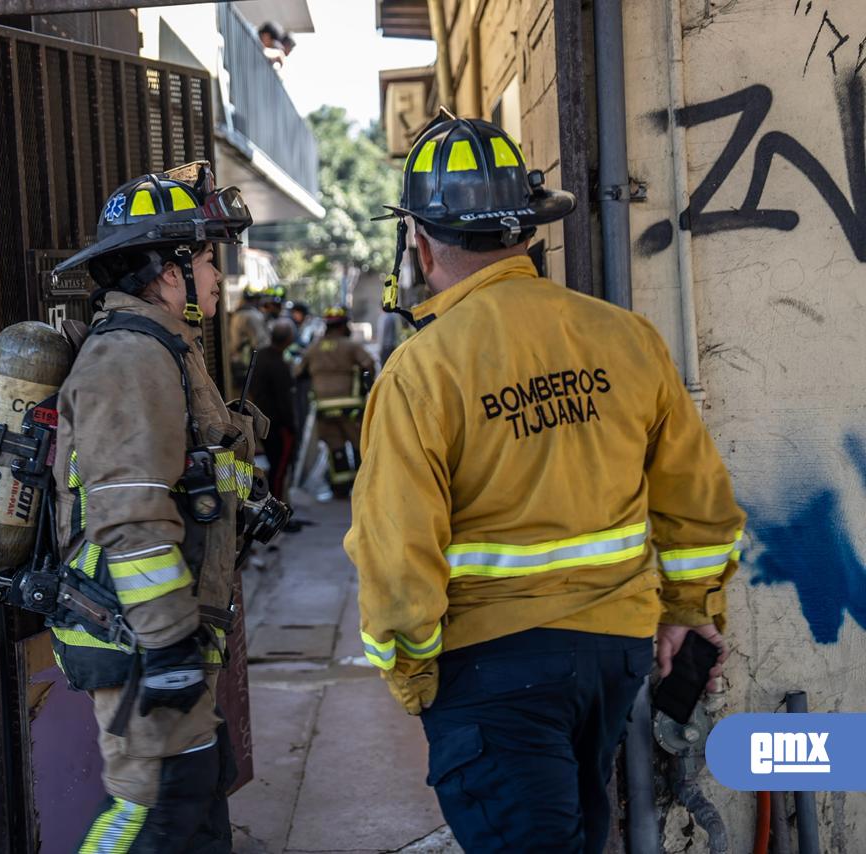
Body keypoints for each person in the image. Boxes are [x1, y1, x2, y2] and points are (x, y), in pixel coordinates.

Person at [344, 117, 746, 853]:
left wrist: (411, 675)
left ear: (420, 243)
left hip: (491, 673)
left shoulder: (421, 372)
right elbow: (700, 504)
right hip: (614, 654)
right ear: (527, 234)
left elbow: (397, 553)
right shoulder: (626, 337)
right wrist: (690, 610)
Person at [50, 163, 264, 853]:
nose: (214, 276)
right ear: (169, 273)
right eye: (205, 258)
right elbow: (130, 514)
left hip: (160, 639)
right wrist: (167, 644)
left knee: (197, 800)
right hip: (138, 643)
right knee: (153, 811)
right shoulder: (129, 358)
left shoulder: (165, 350)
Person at [299, 307, 375, 494]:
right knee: (359, 444)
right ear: (342, 326)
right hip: (351, 407)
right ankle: (363, 486)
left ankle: (340, 487)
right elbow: (369, 364)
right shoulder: (350, 346)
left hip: (324, 408)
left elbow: (298, 372)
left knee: (335, 446)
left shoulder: (314, 347)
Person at [246, 318, 299, 501]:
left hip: (263, 421)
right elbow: (284, 399)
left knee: (276, 465)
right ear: (289, 339)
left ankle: (276, 503)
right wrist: (291, 425)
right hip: (278, 424)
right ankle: (277, 505)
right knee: (280, 467)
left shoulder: (260, 356)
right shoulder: (278, 365)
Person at [229, 286, 270, 389]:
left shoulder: (237, 314)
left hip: (239, 364)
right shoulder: (253, 316)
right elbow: (261, 344)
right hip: (250, 366)